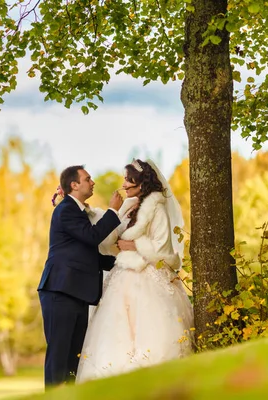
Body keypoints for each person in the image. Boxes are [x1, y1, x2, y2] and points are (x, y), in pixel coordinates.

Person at [75, 159, 194, 383]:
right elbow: (112, 236)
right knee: (116, 333)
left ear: (141, 182)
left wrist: (136, 246)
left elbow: (164, 250)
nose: (125, 183)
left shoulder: (156, 208)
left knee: (150, 333)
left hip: (148, 277)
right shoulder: (128, 206)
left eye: (129, 179)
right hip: (122, 277)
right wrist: (105, 214)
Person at [38, 165, 123, 389]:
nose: (92, 182)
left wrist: (125, 263)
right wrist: (113, 211)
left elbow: (87, 255)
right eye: (87, 178)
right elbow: (92, 237)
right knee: (58, 357)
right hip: (59, 291)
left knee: (73, 359)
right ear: (74, 185)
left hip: (77, 292)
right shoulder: (66, 209)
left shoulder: (77, 211)